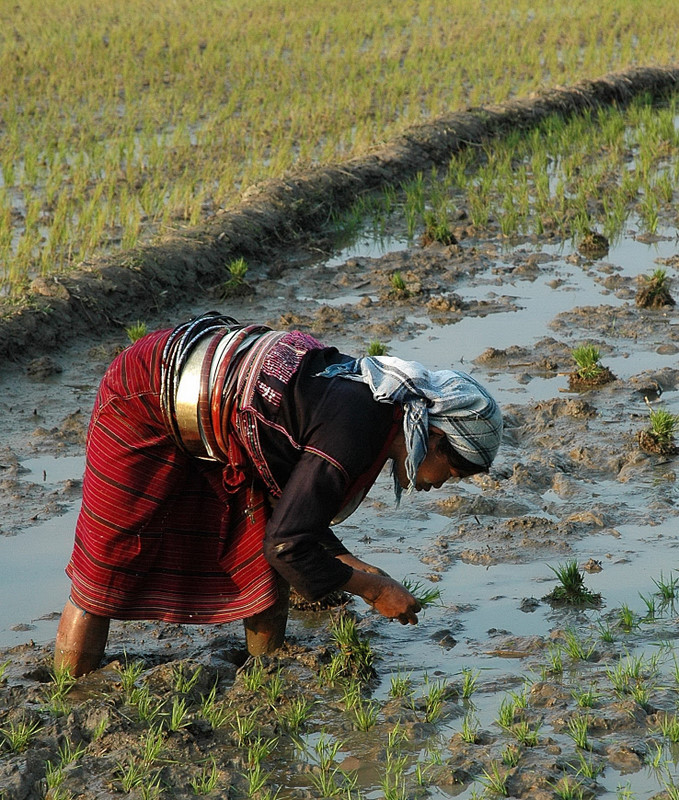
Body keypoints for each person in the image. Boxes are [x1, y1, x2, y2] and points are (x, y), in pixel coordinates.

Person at [54, 312, 503, 676]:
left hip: (227, 417)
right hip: (145, 393)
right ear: (434, 435)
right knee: (108, 564)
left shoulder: (377, 412)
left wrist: (370, 574)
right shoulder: (356, 429)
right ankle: (68, 693)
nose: (445, 483)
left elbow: (297, 524)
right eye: (455, 470)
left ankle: (263, 679)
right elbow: (289, 545)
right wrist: (371, 588)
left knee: (259, 563)